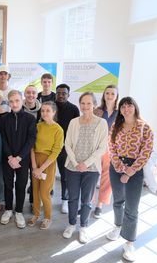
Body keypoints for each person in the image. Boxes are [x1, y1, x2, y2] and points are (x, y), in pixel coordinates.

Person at [106, 97, 153, 262]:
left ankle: (129, 243)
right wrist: (120, 168)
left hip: (135, 169)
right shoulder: (116, 125)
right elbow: (111, 147)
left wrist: (130, 172)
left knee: (132, 207)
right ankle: (117, 226)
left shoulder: (144, 126)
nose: (126, 109)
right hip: (116, 166)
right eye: (123, 106)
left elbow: (146, 151)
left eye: (129, 105)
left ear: (135, 107)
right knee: (118, 200)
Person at [62, 92, 108, 244]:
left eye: (89, 103)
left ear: (94, 104)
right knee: (73, 198)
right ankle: (71, 224)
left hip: (92, 168)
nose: (85, 106)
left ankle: (83, 227)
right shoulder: (74, 122)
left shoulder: (102, 123)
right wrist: (76, 163)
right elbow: (67, 144)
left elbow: (102, 148)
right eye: (83, 103)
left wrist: (86, 164)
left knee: (86, 200)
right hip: (73, 166)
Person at [0, 90, 36, 229]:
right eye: (11, 101)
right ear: (8, 102)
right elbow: (2, 139)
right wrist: (10, 157)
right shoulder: (3, 119)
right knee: (8, 185)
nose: (14, 104)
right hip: (7, 159)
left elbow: (31, 139)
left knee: (21, 185)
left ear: (22, 101)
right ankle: (8, 209)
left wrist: (19, 158)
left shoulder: (30, 119)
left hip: (23, 159)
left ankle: (19, 211)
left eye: (17, 101)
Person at [29, 101, 63, 229]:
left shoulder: (58, 130)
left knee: (44, 193)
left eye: (48, 110)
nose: (44, 113)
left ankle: (47, 217)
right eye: (42, 110)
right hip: (35, 161)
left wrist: (41, 168)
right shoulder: (38, 126)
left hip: (48, 163)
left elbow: (56, 152)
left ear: (54, 112)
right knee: (35, 191)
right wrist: (34, 167)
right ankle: (36, 215)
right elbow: (32, 147)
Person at [92, 84, 119, 218]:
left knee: (106, 178)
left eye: (112, 94)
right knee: (91, 176)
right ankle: (87, 203)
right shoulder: (97, 111)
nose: (109, 96)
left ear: (116, 96)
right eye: (107, 93)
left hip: (111, 150)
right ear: (104, 95)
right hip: (96, 148)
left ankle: (99, 205)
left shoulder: (120, 114)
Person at [55, 84, 80, 214]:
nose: (60, 95)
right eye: (58, 92)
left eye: (63, 93)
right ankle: (44, 196)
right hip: (49, 146)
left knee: (64, 176)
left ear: (68, 95)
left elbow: (77, 130)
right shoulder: (50, 106)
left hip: (65, 148)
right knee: (46, 174)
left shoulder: (74, 109)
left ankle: (64, 200)